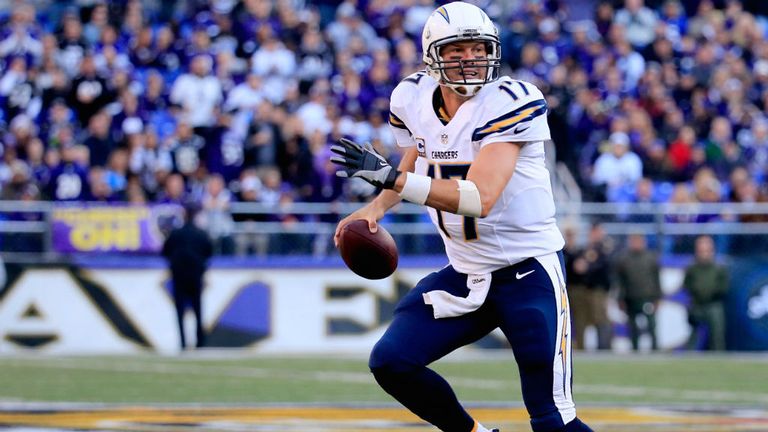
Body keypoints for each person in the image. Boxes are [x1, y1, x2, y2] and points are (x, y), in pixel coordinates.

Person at [330, 3, 593, 431]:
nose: (470, 59)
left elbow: (479, 198)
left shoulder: (511, 100)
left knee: (552, 421)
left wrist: (391, 178)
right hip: (466, 273)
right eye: (457, 50)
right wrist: (378, 204)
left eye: (478, 49)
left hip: (527, 273)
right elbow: (419, 151)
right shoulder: (411, 97)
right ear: (432, 56)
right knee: (392, 361)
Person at [161, 202, 214, 350]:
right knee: (198, 308)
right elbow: (209, 251)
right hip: (196, 275)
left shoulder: (175, 234)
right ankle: (200, 342)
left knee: (179, 309)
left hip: (178, 275)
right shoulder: (201, 233)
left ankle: (183, 342)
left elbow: (165, 251)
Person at [568, 223, 613, 350]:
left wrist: (587, 266)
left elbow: (602, 265)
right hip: (588, 288)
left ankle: (604, 346)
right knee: (586, 318)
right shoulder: (588, 248)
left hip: (599, 288)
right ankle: (596, 346)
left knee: (600, 318)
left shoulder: (604, 247)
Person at [613, 233, 662, 351]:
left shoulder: (651, 258)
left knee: (651, 325)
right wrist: (620, 299)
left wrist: (658, 297)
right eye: (634, 241)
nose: (636, 243)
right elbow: (620, 282)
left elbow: (657, 279)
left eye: (638, 240)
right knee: (632, 327)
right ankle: (635, 350)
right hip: (630, 298)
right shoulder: (623, 259)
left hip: (647, 297)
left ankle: (655, 349)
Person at [684, 235, 729, 351]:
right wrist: (696, 294)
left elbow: (723, 287)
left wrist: (711, 294)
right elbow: (687, 285)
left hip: (713, 304)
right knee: (693, 334)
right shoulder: (692, 268)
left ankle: (718, 355)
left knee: (717, 334)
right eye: (701, 250)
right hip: (697, 304)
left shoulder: (719, 268)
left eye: (706, 250)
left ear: (712, 250)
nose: (704, 254)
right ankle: (688, 356)